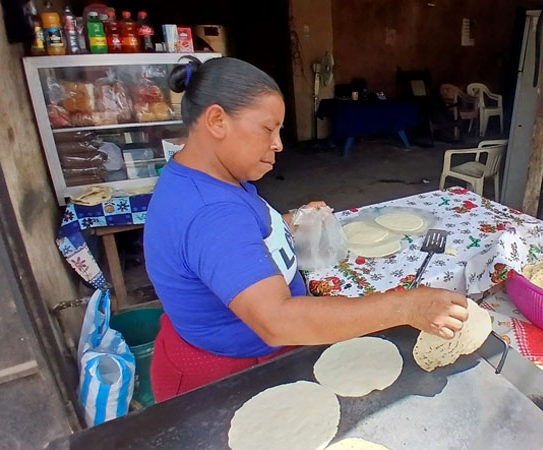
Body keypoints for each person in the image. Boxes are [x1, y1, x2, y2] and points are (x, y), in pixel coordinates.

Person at [144, 57, 468, 402]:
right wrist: (407, 307)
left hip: (236, 358)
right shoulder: (211, 213)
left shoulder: (209, 179)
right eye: (268, 129)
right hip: (230, 378)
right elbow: (277, 319)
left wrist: (290, 220)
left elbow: (240, 240)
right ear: (217, 120)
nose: (278, 144)